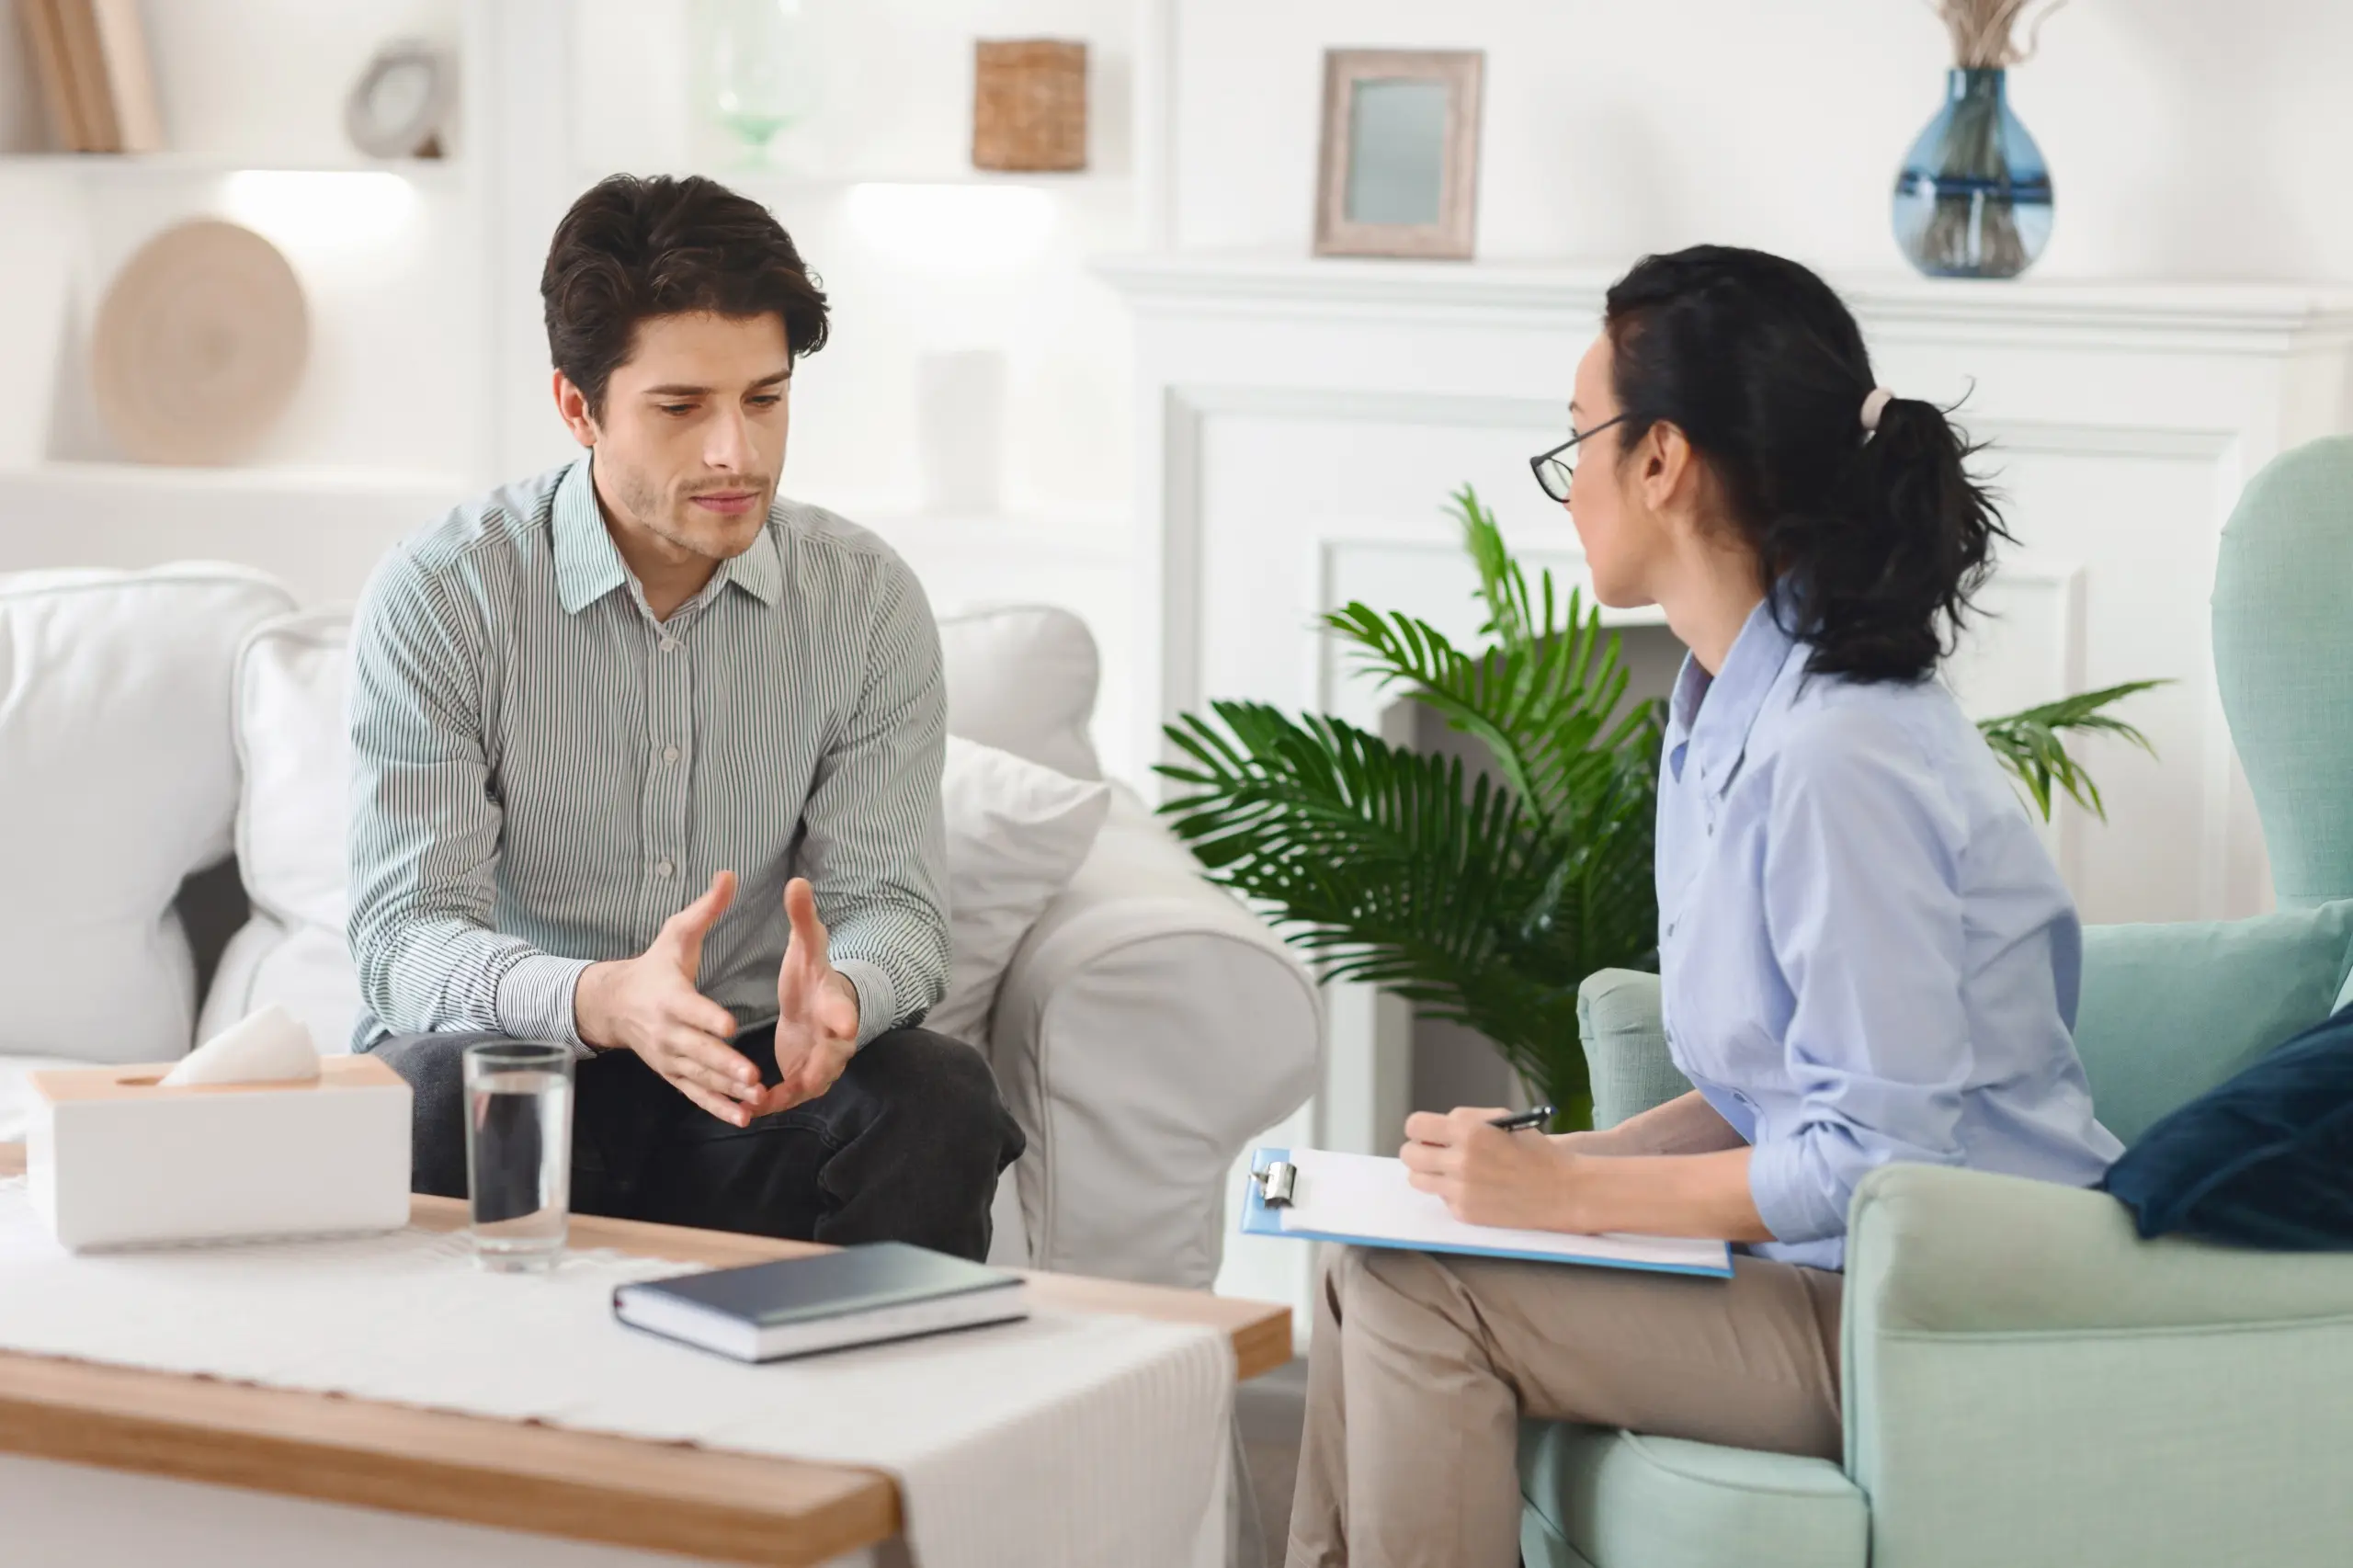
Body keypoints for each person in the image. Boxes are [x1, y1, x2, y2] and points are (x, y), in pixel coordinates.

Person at [1285, 245, 2123, 1567]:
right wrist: (1527, 1174)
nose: (1569, 492)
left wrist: (1566, 1199)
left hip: (1933, 1311)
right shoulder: (1722, 711)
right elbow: (1764, 1099)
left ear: (1662, 458)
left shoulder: (1843, 752)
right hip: (1831, 1276)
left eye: (1579, 444)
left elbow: (1875, 1158)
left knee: (1414, 1290)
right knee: (1372, 1251)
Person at [347, 174, 1024, 1260]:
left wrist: (847, 991)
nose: (735, 453)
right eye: (681, 408)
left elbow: (892, 902)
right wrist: (606, 998)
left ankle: (878, 1422)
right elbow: (403, 941)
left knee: (937, 1090)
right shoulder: (445, 592)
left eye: (764, 398)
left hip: (757, 1087)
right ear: (579, 406)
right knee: (423, 1083)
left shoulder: (862, 599)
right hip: (532, 1065)